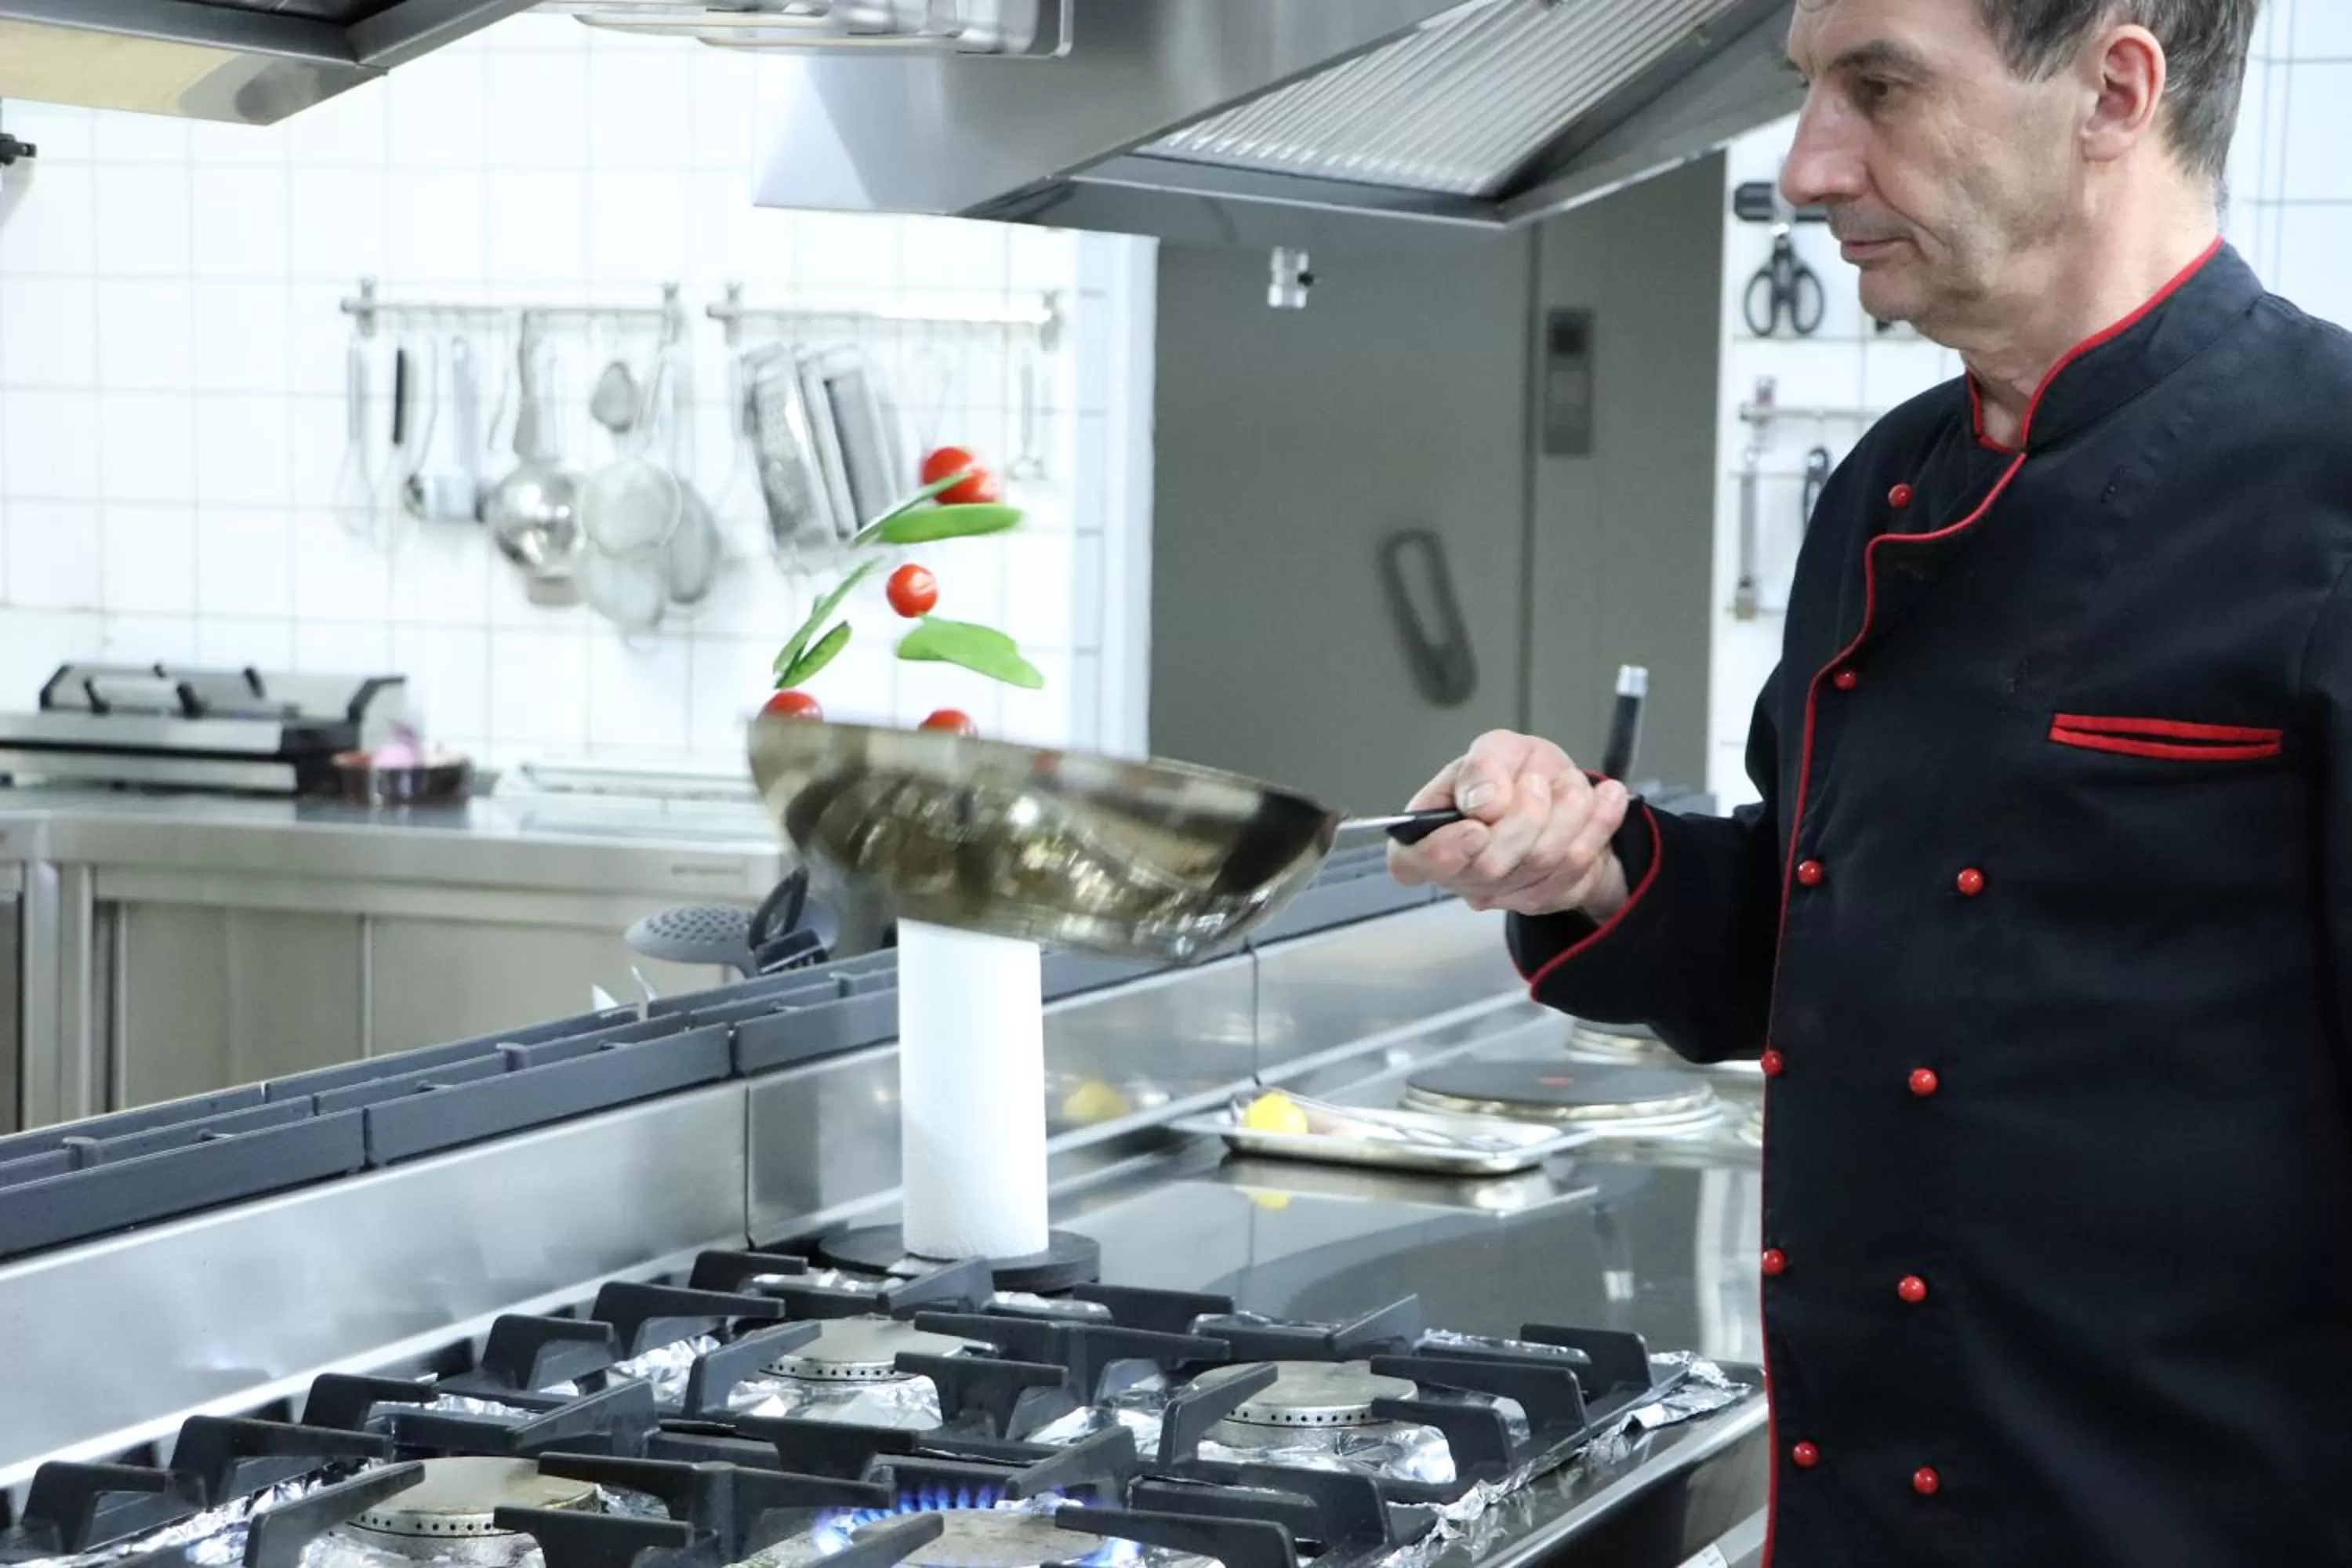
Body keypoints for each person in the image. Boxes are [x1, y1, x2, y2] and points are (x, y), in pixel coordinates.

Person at [1388, 0, 2352, 1562]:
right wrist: (1607, 864)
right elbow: (1831, 930)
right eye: (1809, 90)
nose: (1809, 164)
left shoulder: (2329, 485)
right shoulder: (1892, 484)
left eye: (1879, 88)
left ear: (2112, 90)